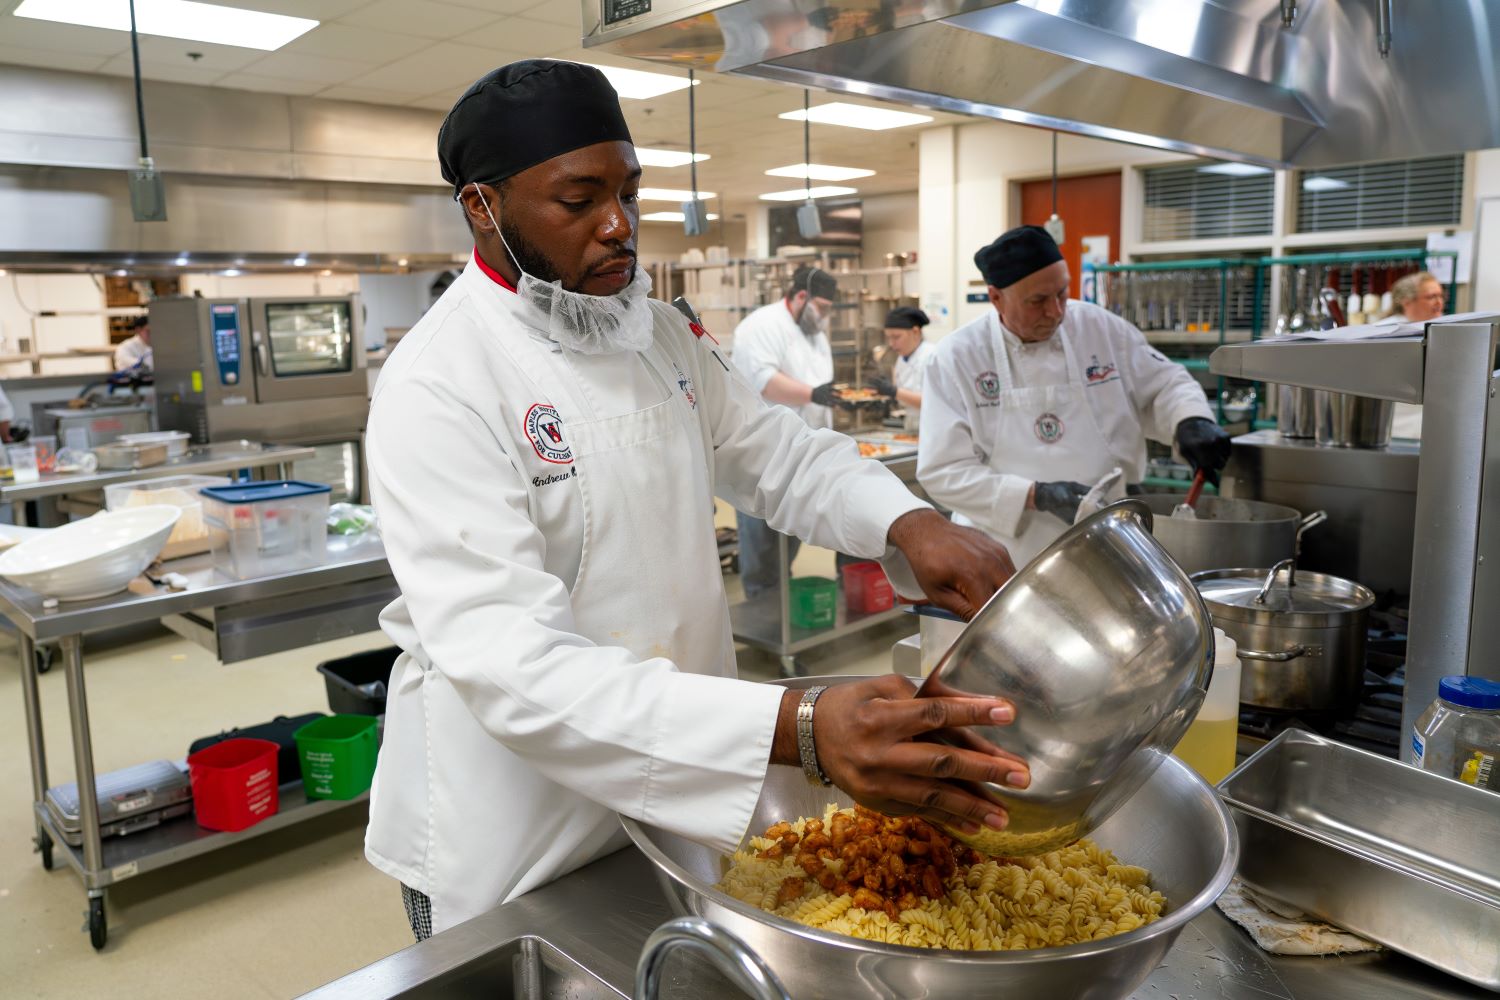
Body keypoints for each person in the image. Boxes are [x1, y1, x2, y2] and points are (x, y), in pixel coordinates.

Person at [364, 60, 1029, 941]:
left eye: (630, 192)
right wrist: (796, 726)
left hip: (685, 778)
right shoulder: (438, 384)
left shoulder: (655, 332)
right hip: (520, 831)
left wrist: (905, 521)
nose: (619, 226)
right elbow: (510, 664)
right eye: (579, 200)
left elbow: (775, 455)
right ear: (483, 207)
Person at [918, 226, 1231, 567]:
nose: (1056, 312)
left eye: (1062, 294)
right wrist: (1036, 495)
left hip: (1108, 538)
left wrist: (1190, 419)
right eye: (1037, 301)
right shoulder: (957, 357)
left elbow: (1166, 383)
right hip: (1006, 554)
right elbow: (942, 471)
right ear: (996, 298)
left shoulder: (1099, 329)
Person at [728, 265, 848, 597]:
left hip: (805, 456)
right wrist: (813, 394)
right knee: (763, 549)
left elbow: (819, 386)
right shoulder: (762, 325)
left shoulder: (816, 334)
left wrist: (834, 400)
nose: (824, 316)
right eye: (821, 308)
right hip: (764, 457)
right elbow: (764, 382)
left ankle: (782, 615)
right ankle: (763, 615)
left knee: (791, 540)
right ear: (800, 296)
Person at [1386, 272, 1447, 438]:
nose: (1439, 302)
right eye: (1431, 297)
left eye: (1441, 296)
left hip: (1426, 425)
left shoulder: (1440, 329)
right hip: (1398, 427)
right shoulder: (1386, 332)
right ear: (1406, 301)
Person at [870, 306, 933, 432]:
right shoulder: (902, 358)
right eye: (888, 337)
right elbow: (903, 393)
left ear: (915, 332)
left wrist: (894, 392)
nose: (891, 343)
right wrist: (886, 398)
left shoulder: (932, 356)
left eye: (896, 337)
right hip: (911, 424)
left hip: (931, 425)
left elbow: (931, 401)